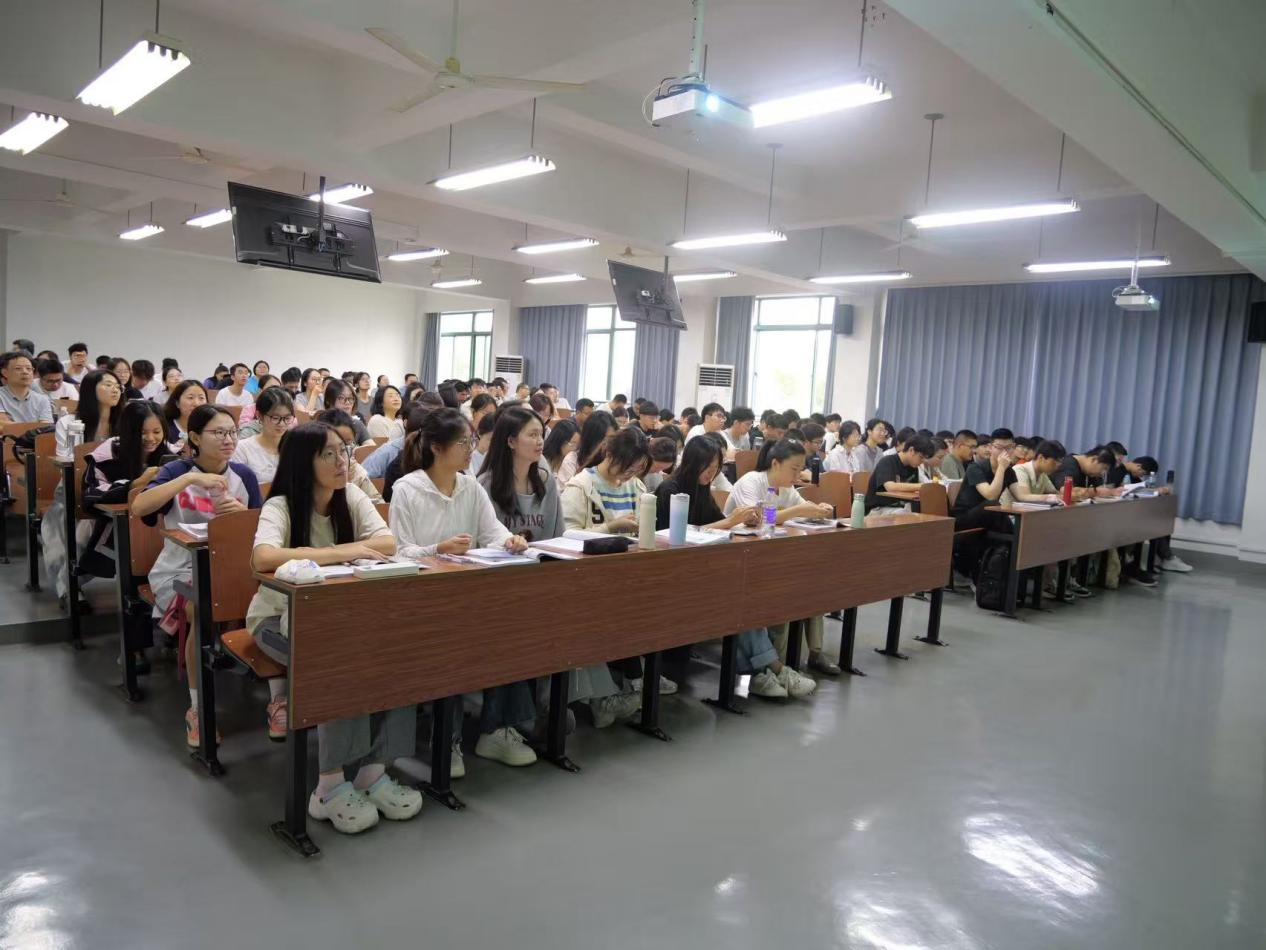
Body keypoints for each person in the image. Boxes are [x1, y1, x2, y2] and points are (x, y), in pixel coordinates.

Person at [246, 422, 419, 833]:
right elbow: (263, 557)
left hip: (343, 619)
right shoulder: (281, 505)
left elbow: (387, 543)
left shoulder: (351, 495)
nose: (342, 461)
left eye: (344, 451)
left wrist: (332, 552)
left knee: (402, 658)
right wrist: (344, 551)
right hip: (275, 620)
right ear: (302, 462)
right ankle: (328, 786)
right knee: (339, 663)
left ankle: (372, 774)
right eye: (329, 454)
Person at [389, 408, 529, 776]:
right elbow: (398, 552)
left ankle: (496, 730)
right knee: (450, 643)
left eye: (471, 441)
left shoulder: (470, 486)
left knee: (513, 629)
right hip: (420, 599)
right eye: (463, 443)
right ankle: (446, 739)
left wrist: (510, 541)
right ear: (437, 448)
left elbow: (493, 531)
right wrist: (438, 549)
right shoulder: (407, 489)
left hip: (466, 594)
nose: (471, 450)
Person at [133, 405, 263, 747]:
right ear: (194, 437)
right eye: (218, 433)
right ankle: (198, 708)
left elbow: (264, 529)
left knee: (273, 598)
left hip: (232, 569)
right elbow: (139, 507)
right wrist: (189, 478)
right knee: (201, 609)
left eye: (232, 432)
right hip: (180, 570)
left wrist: (243, 515)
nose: (228, 440)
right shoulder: (176, 471)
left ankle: (277, 695)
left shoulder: (243, 476)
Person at [724, 438, 837, 671]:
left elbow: (802, 509)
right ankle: (777, 662)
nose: (797, 475)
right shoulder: (752, 481)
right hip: (740, 557)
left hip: (772, 555)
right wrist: (798, 510)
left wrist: (818, 510)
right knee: (785, 590)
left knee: (813, 584)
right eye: (794, 469)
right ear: (776, 464)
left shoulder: (786, 487)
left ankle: (815, 652)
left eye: (800, 469)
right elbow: (756, 519)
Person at [950, 430, 1018, 581]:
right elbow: (990, 495)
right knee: (993, 505)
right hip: (964, 519)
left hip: (988, 518)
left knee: (999, 516)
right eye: (999, 447)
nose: (1004, 452)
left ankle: (1008, 565)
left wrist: (1051, 498)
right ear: (990, 447)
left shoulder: (1009, 471)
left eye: (1008, 448)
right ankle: (1011, 546)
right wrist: (1001, 468)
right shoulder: (976, 467)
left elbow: (1022, 496)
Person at [314, 409, 383, 502]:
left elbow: (378, 503)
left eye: (347, 445)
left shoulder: (357, 471)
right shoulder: (315, 474)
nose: (342, 457)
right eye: (332, 450)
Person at [232, 387, 294, 484]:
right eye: (275, 418)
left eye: (287, 418)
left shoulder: (295, 447)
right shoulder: (242, 449)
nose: (282, 424)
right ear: (259, 416)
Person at [863, 434, 931, 511]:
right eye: (921, 457)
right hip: (878, 508)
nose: (922, 462)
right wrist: (921, 486)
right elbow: (890, 487)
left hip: (899, 507)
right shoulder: (887, 462)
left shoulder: (913, 467)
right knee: (908, 513)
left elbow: (913, 492)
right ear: (911, 450)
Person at [556, 410, 617, 490]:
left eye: (611, 439)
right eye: (603, 440)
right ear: (591, 438)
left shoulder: (614, 460)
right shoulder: (572, 460)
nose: (607, 445)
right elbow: (566, 492)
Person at [0, 351, 54, 422]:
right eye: (18, 368)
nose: (25, 372)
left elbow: (46, 426)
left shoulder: (42, 400)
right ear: (5, 373)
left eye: (29, 368)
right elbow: (3, 424)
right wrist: (35, 426)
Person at [321, 379, 373, 444]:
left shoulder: (356, 424)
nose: (347, 402)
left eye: (350, 398)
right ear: (328, 401)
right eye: (341, 398)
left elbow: (371, 447)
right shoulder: (321, 427)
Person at [162, 380, 208, 446]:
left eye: (201, 398)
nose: (196, 403)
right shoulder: (164, 428)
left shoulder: (209, 428)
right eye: (190, 398)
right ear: (177, 403)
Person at [542, 418, 580, 484]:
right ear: (560, 441)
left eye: (578, 445)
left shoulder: (572, 462)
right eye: (573, 443)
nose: (576, 449)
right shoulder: (542, 463)